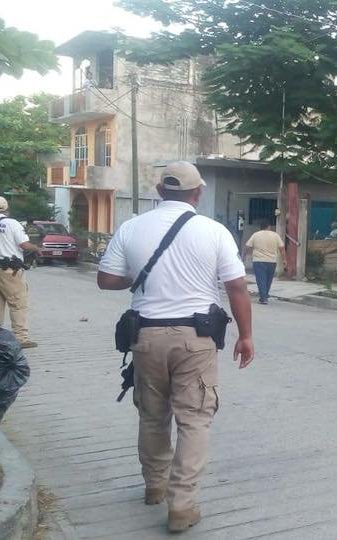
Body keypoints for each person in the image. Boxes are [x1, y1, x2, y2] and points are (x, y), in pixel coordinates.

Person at [97, 161, 254, 533]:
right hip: (196, 340)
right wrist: (246, 336)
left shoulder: (131, 227)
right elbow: (235, 286)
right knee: (194, 418)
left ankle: (155, 486)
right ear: (198, 193)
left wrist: (142, 276)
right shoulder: (214, 231)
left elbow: (106, 279)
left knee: (153, 415)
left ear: (160, 189)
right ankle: (181, 506)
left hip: (145, 337)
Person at [0, 196, 40, 348]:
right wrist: (36, 248)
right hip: (9, 270)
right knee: (18, 303)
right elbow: (24, 245)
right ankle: (20, 338)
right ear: (7, 209)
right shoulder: (12, 223)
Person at [244, 220, 285, 305]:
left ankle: (263, 298)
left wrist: (245, 255)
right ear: (269, 226)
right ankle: (265, 295)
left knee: (261, 280)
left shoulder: (256, 235)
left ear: (261, 227)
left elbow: (247, 246)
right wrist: (284, 259)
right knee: (268, 280)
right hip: (272, 261)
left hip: (258, 261)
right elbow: (281, 248)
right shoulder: (275, 235)